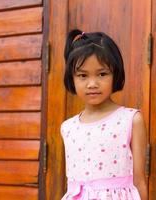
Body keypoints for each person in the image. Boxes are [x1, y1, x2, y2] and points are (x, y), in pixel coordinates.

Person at [60, 29, 148, 200]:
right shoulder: (68, 128)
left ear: (115, 74)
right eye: (83, 75)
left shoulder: (130, 120)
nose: (92, 84)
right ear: (72, 78)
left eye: (102, 74)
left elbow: (140, 181)